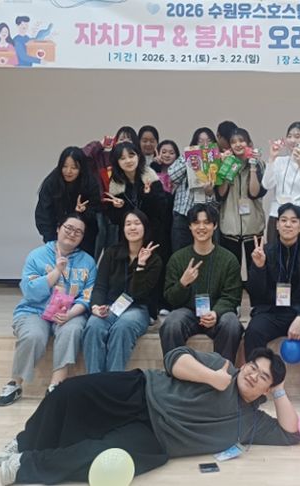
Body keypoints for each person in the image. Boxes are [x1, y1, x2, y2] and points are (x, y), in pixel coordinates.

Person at [0, 346, 300, 485]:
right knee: (71, 391)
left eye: (263, 377)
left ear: (266, 389)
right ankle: (25, 442)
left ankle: (25, 466)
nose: (252, 375)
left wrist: (280, 390)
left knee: (99, 454)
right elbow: (175, 358)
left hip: (156, 438)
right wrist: (212, 378)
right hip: (142, 390)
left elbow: (291, 433)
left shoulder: (253, 423)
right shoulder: (222, 368)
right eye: (252, 367)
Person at [0, 214, 96, 407]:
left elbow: (87, 296)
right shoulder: (37, 255)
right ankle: (15, 383)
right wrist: (56, 272)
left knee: (72, 330)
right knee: (33, 335)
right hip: (35, 310)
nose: (72, 234)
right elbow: (30, 292)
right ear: (58, 229)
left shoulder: (88, 262)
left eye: (78, 232)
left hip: (70, 313)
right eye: (68, 228)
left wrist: (70, 314)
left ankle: (56, 385)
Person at [244, 203, 300, 409]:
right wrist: (258, 268)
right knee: (253, 331)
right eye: (284, 220)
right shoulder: (264, 252)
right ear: (276, 225)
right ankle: (254, 389)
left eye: (294, 221)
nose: (288, 225)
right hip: (271, 312)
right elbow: (256, 294)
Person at [159, 204, 243, 362]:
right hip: (188, 313)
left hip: (217, 313)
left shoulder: (229, 259)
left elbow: (232, 297)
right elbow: (170, 298)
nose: (201, 227)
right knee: (171, 323)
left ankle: (224, 372)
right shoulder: (178, 258)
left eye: (207, 222)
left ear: (215, 226)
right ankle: (175, 371)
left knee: (231, 323)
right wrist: (183, 283)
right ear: (190, 226)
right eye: (196, 223)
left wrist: (216, 313)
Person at [82, 210, 162, 374]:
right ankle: (94, 380)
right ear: (123, 229)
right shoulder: (111, 253)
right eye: (128, 224)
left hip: (138, 309)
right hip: (111, 306)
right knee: (93, 325)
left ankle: (113, 381)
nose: (132, 228)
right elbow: (100, 286)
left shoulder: (154, 260)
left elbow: (138, 294)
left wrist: (140, 266)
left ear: (145, 227)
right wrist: (96, 306)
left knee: (122, 327)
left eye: (137, 223)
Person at [103, 141, 170, 318]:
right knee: (131, 269)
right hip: (129, 237)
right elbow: (114, 219)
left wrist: (148, 196)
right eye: (122, 158)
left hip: (153, 233)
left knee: (153, 268)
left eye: (131, 155)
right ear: (117, 162)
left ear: (138, 156)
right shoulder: (115, 183)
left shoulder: (149, 175)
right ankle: (130, 306)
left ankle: (154, 309)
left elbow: (161, 208)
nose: (128, 160)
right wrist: (118, 208)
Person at [262, 122, 300, 247]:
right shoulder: (279, 161)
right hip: (278, 216)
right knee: (274, 255)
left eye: (297, 136)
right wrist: (272, 159)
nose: (292, 140)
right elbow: (267, 185)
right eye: (289, 136)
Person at [216, 128, 267, 275]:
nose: (238, 144)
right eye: (233, 142)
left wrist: (252, 166)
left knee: (255, 272)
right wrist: (226, 168)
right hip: (229, 228)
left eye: (241, 141)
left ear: (249, 143)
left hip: (253, 228)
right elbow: (221, 194)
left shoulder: (259, 164)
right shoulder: (224, 164)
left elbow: (254, 193)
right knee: (231, 273)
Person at [83, 126, 138, 257]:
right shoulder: (103, 156)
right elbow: (82, 156)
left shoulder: (133, 163)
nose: (124, 142)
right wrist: (99, 145)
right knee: (95, 248)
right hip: (99, 208)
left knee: (112, 252)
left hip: (119, 212)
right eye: (121, 139)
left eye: (129, 140)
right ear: (115, 141)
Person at [35, 146, 100, 257]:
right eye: (64, 166)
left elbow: (96, 214)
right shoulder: (51, 183)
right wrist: (52, 241)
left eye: (74, 168)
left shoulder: (90, 183)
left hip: (85, 240)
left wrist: (83, 211)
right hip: (56, 238)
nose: (68, 171)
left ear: (81, 168)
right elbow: (43, 215)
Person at [168, 127, 218, 252]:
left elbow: (220, 195)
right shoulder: (184, 157)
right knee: (180, 253)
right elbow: (172, 176)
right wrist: (190, 158)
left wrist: (210, 193)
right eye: (200, 141)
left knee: (207, 253)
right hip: (183, 214)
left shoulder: (217, 161)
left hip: (207, 217)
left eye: (208, 141)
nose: (204, 145)